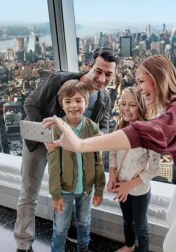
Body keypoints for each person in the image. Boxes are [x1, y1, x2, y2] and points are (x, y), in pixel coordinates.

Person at [43, 54, 176, 252]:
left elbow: (140, 133)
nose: (138, 88)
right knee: (174, 220)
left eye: (141, 81)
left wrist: (79, 144)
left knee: (172, 245)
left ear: (158, 78)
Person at [14, 48, 119, 252]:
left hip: (71, 149)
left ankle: (69, 230)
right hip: (41, 143)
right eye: (99, 71)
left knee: (73, 188)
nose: (102, 78)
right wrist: (47, 136)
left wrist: (96, 138)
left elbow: (104, 126)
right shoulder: (59, 80)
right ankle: (23, 243)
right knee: (29, 193)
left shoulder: (104, 99)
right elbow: (31, 104)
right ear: (89, 67)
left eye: (108, 74)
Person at [48, 80, 105, 252]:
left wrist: (99, 189)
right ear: (62, 106)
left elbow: (98, 160)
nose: (73, 105)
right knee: (60, 226)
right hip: (64, 191)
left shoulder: (92, 128)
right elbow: (53, 165)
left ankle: (84, 248)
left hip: (86, 190)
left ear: (86, 103)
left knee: (84, 222)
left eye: (78, 100)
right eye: (68, 101)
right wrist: (55, 194)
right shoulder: (57, 130)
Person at [108, 87, 160, 252]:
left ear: (142, 106)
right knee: (126, 220)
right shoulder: (120, 127)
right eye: (123, 104)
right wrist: (111, 175)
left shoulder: (150, 134)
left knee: (140, 225)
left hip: (138, 190)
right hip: (122, 185)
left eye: (132, 105)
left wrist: (128, 186)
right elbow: (113, 151)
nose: (126, 109)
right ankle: (129, 246)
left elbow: (154, 169)